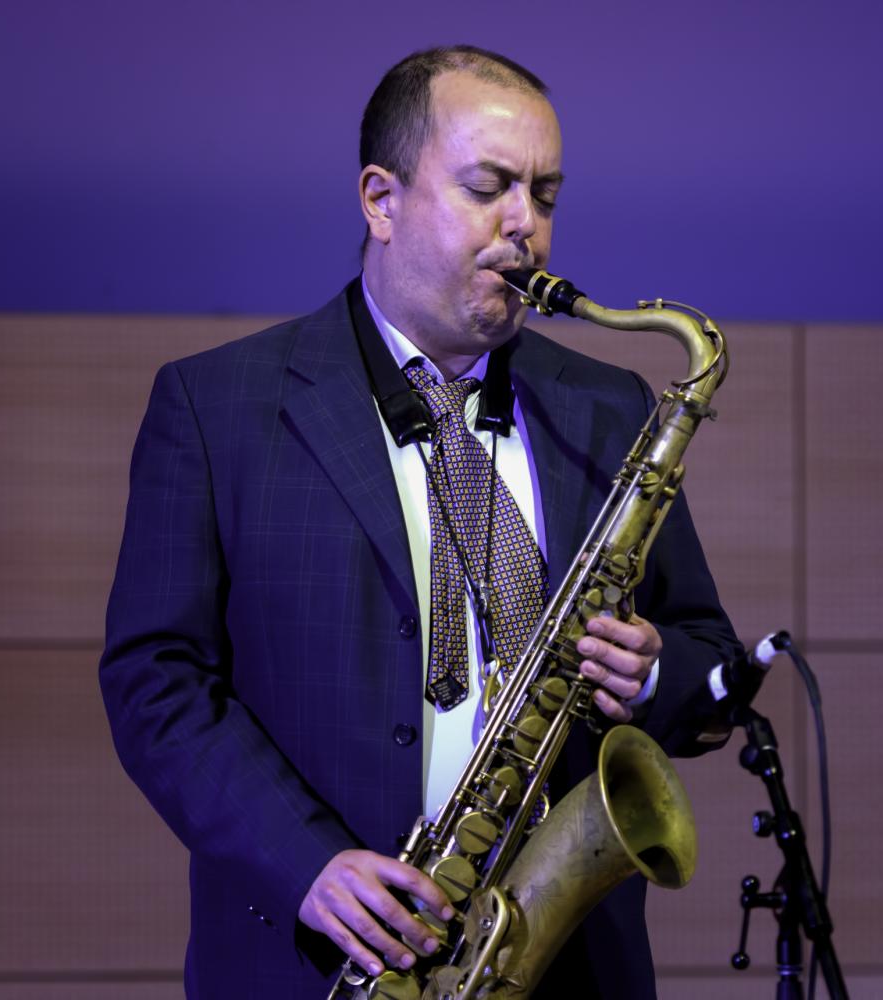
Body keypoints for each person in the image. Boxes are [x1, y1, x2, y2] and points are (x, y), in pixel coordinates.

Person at [99, 45, 739, 999]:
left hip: (571, 966)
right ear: (379, 199)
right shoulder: (217, 405)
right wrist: (307, 865)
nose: (526, 226)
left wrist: (653, 675)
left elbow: (706, 655)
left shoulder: (610, 409)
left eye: (546, 194)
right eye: (490, 187)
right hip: (316, 959)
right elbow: (156, 684)